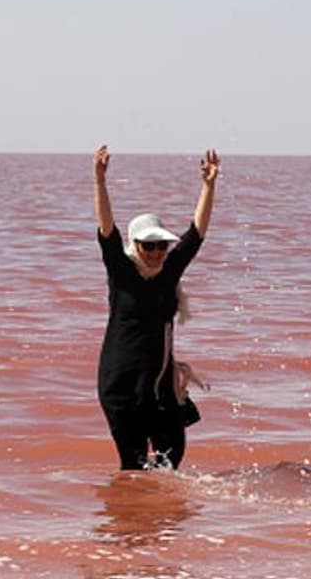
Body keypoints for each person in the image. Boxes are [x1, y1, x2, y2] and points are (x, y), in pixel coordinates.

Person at [93, 144, 219, 470]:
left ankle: (160, 518)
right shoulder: (122, 274)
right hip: (121, 386)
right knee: (133, 465)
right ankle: (130, 518)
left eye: (160, 244)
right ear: (134, 246)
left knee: (171, 457)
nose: (155, 252)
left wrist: (208, 185)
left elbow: (196, 234)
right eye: (148, 245)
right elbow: (107, 232)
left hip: (160, 386)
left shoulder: (169, 273)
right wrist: (100, 182)